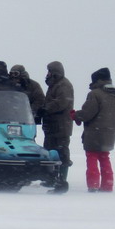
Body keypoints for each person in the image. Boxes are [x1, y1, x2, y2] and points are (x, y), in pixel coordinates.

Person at [72, 68, 115, 192]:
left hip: (94, 133)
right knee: (105, 158)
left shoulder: (95, 94)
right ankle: (107, 185)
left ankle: (93, 185)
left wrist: (75, 115)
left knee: (92, 157)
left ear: (97, 80)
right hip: (110, 133)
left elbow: (87, 113)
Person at [39, 61, 74, 193]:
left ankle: (61, 179)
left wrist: (45, 108)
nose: (47, 74)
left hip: (61, 126)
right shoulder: (54, 85)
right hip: (51, 126)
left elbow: (62, 102)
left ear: (54, 72)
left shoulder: (64, 85)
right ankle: (51, 178)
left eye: (49, 71)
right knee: (50, 152)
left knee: (61, 153)